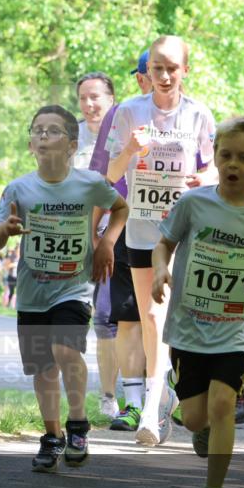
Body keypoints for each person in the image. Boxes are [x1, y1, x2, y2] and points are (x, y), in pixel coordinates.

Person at [152, 117, 244, 488]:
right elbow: (163, 244)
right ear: (214, 157)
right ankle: (202, 429)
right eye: (226, 155)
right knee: (196, 417)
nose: (233, 164)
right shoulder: (194, 204)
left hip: (238, 327)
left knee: (224, 403)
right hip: (190, 326)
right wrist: (160, 270)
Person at [0, 105, 128, 471]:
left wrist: (107, 243)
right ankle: (52, 436)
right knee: (43, 367)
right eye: (38, 131)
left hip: (74, 288)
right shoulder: (19, 188)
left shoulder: (88, 184)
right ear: (31, 144)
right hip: (33, 292)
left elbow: (120, 208)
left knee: (64, 350)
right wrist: (6, 230)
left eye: (53, 131)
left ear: (71, 144)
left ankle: (78, 423)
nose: (44, 136)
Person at [107, 35, 217, 446]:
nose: (165, 76)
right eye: (158, 68)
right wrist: (131, 150)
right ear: (147, 71)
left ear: (185, 70)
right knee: (151, 318)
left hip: (184, 231)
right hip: (142, 230)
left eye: (173, 68)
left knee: (181, 321)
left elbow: (215, 170)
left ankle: (167, 398)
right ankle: (153, 407)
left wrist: (201, 179)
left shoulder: (199, 115)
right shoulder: (129, 111)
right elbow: (112, 174)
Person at [90, 51, 149, 428]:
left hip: (173, 227)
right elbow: (103, 176)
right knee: (123, 316)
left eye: (162, 71)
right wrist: (96, 234)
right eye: (146, 73)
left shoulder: (194, 116)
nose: (150, 79)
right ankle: (130, 402)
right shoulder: (121, 113)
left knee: (162, 315)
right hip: (126, 223)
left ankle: (167, 391)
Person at [75, 71, 120, 416]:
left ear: (111, 99)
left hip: (117, 233)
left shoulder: (123, 131)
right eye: (83, 98)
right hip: (77, 237)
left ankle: (141, 387)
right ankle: (107, 396)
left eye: (96, 98)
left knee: (116, 316)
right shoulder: (70, 136)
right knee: (94, 317)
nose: (89, 105)